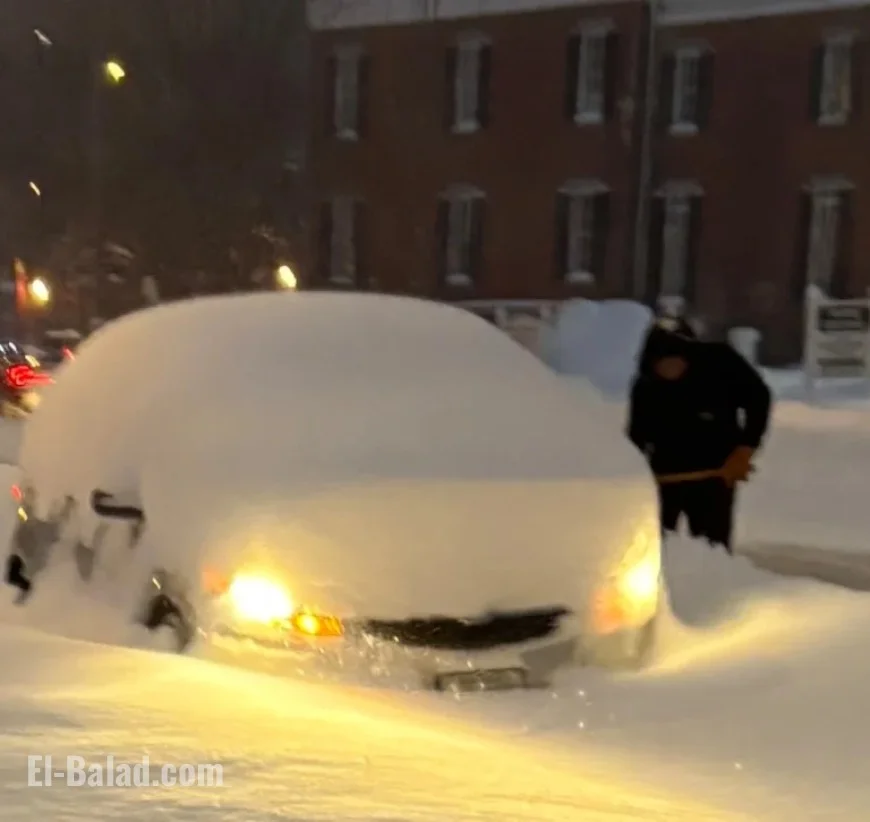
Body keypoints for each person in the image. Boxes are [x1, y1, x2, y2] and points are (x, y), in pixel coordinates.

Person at [626, 317, 772, 552]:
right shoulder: (646, 387)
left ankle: (712, 579)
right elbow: (637, 435)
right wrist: (633, 473)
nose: (671, 368)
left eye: (677, 361)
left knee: (712, 544)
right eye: (663, 363)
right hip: (664, 475)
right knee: (655, 545)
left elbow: (758, 398)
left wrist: (747, 446)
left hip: (716, 470)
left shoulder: (721, 364)